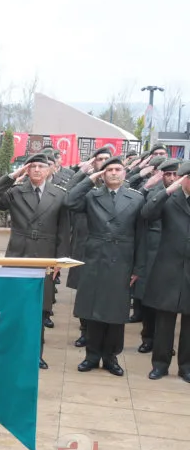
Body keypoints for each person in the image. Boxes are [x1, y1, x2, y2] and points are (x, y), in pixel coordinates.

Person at [0, 153, 70, 370]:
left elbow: (63, 232)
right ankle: (11, 352)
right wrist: (14, 175)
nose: (38, 170)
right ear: (27, 170)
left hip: (44, 259)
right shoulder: (15, 192)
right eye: (33, 167)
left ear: (50, 170)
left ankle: (35, 354)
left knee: (40, 311)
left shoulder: (59, 195)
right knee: (14, 308)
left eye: (42, 166)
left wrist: (58, 262)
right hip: (18, 256)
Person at [67, 155, 145, 377]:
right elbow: (70, 201)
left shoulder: (136, 198)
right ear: (103, 173)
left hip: (122, 261)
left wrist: (138, 268)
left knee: (116, 312)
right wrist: (90, 178)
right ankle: (91, 356)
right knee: (93, 311)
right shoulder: (92, 195)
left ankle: (111, 357)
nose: (113, 173)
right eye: (109, 169)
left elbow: (141, 236)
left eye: (118, 169)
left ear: (124, 173)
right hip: (95, 258)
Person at [142, 161, 190, 382]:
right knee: (164, 322)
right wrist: (166, 191)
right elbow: (147, 213)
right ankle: (160, 364)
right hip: (168, 268)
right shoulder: (170, 199)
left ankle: (186, 366)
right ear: (182, 180)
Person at [65, 146, 112, 347]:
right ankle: (85, 331)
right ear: (94, 163)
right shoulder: (87, 184)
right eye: (100, 159)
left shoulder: (120, 185)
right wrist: (87, 174)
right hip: (84, 243)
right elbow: (69, 196)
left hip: (110, 248)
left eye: (107, 160)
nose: (103, 163)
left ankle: (103, 334)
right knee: (84, 292)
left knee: (107, 293)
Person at [132, 158, 177, 352]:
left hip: (174, 255)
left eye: (176, 174)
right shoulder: (156, 193)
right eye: (168, 174)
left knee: (169, 302)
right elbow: (145, 213)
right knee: (149, 299)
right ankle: (148, 337)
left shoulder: (184, 196)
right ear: (161, 175)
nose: (172, 178)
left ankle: (164, 342)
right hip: (153, 251)